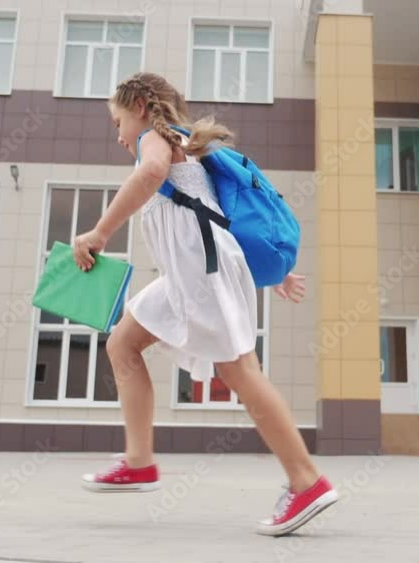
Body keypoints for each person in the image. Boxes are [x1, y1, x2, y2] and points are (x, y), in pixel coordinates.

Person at [72, 72, 338, 536]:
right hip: (189, 274)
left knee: (239, 371)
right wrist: (267, 270)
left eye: (117, 122)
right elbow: (216, 211)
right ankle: (139, 462)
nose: (118, 135)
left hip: (202, 271)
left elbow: (153, 174)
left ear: (139, 107)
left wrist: (100, 232)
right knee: (123, 343)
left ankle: (306, 481)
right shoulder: (181, 143)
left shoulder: (155, 139)